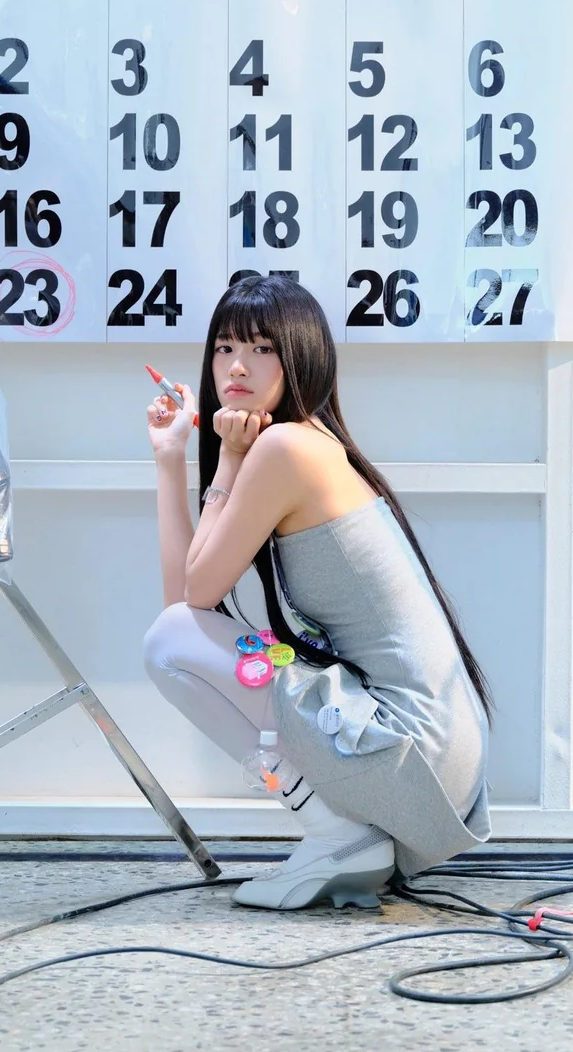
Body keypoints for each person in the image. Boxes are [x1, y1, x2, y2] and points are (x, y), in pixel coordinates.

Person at [143, 274, 493, 911]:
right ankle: (346, 834)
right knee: (177, 639)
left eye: (262, 348)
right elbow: (187, 606)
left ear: (302, 357)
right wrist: (171, 458)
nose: (237, 366)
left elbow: (192, 599)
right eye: (224, 348)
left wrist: (227, 459)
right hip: (429, 752)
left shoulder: (285, 447)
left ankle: (339, 835)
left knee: (168, 643)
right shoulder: (305, 442)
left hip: (413, 748)